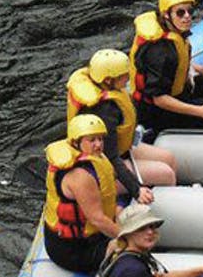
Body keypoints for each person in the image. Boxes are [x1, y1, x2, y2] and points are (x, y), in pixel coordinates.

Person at [67, 48, 177, 205]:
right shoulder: (104, 111)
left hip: (119, 150)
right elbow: (110, 158)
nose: (128, 78)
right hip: (101, 166)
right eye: (123, 76)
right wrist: (136, 189)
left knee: (169, 159)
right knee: (166, 174)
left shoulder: (108, 89)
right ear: (108, 80)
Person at [129, 0, 203, 139]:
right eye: (180, 12)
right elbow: (159, 98)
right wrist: (199, 111)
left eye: (190, 11)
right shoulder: (160, 52)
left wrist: (200, 69)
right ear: (166, 15)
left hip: (178, 90)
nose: (187, 16)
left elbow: (179, 65)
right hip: (155, 111)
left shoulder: (174, 31)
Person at [42, 114, 121, 274]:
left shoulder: (94, 158)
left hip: (90, 237)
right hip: (74, 249)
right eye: (92, 140)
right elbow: (97, 219)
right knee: (131, 252)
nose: (98, 144)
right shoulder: (79, 176)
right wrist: (128, 237)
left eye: (100, 139)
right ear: (77, 142)